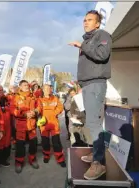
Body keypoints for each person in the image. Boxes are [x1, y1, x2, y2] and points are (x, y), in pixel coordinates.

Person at [69, 9, 111, 180]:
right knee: (91, 121)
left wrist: (82, 46)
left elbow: (102, 55)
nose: (85, 22)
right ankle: (96, 155)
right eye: (84, 20)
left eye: (90, 20)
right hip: (88, 84)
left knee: (94, 123)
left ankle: (98, 164)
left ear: (98, 23)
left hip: (95, 83)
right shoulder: (89, 39)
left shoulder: (103, 35)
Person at [11, 80, 42, 173]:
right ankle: (18, 163)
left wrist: (35, 112)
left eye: (27, 85)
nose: (26, 86)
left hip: (31, 125)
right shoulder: (15, 98)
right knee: (20, 145)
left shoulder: (34, 97)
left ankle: (32, 160)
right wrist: (24, 114)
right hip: (21, 126)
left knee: (33, 144)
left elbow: (39, 107)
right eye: (24, 85)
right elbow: (12, 110)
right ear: (20, 87)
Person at [38, 83, 66, 167]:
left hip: (54, 124)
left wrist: (54, 112)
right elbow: (37, 109)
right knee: (45, 142)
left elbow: (60, 107)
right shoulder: (39, 100)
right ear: (43, 90)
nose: (48, 90)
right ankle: (46, 156)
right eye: (46, 89)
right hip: (44, 124)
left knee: (56, 143)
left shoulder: (55, 98)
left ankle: (60, 159)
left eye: (49, 88)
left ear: (51, 90)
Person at [0, 84, 12, 169]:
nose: (2, 92)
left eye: (2, 90)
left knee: (6, 143)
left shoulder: (6, 99)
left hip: (7, 124)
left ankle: (4, 159)